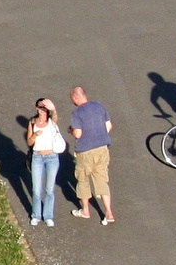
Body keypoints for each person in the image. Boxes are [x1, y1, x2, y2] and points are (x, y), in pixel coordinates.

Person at [68, 86, 115, 225]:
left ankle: (85, 210)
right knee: (102, 179)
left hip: (86, 151)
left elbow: (78, 133)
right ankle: (109, 212)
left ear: (76, 98)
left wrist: (70, 130)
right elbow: (109, 126)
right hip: (102, 148)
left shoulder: (77, 113)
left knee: (82, 179)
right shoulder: (99, 105)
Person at [26, 97, 66, 226]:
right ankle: (36, 215)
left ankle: (48, 216)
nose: (42, 110)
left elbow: (55, 117)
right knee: (36, 190)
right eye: (39, 107)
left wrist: (52, 108)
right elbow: (29, 142)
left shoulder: (51, 122)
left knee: (49, 189)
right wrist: (34, 135)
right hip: (37, 157)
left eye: (44, 108)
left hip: (52, 157)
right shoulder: (32, 122)